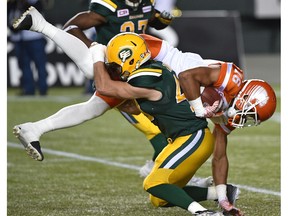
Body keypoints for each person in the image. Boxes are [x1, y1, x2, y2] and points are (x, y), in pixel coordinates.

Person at [12, 7, 276, 215]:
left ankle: (36, 127)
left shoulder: (228, 115)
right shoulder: (230, 77)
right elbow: (186, 75)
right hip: (158, 58)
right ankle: (41, 24)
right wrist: (198, 108)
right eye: (250, 113)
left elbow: (219, 157)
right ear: (246, 96)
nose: (245, 119)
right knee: (93, 70)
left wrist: (221, 196)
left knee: (96, 105)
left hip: (159, 80)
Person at [60, 0, 174, 164]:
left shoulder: (145, 3)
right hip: (117, 77)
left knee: (167, 130)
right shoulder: (109, 5)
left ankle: (163, 174)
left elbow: (153, 21)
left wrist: (162, 21)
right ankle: (168, 179)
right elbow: (70, 27)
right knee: (157, 133)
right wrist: (93, 47)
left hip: (142, 72)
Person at [7, 0, 48, 96]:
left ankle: (43, 89)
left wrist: (24, 3)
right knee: (24, 66)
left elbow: (38, 7)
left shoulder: (34, 2)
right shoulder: (12, 4)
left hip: (35, 36)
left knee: (40, 64)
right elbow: (9, 17)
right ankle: (28, 89)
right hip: (19, 38)